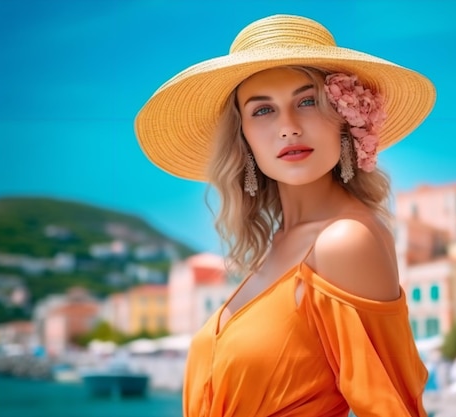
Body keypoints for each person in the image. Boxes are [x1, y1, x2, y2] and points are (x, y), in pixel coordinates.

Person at [135, 14, 435, 417]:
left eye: (307, 101)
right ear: (243, 137)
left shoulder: (344, 241)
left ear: (345, 119)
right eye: (263, 110)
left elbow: (389, 409)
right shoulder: (278, 244)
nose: (288, 127)